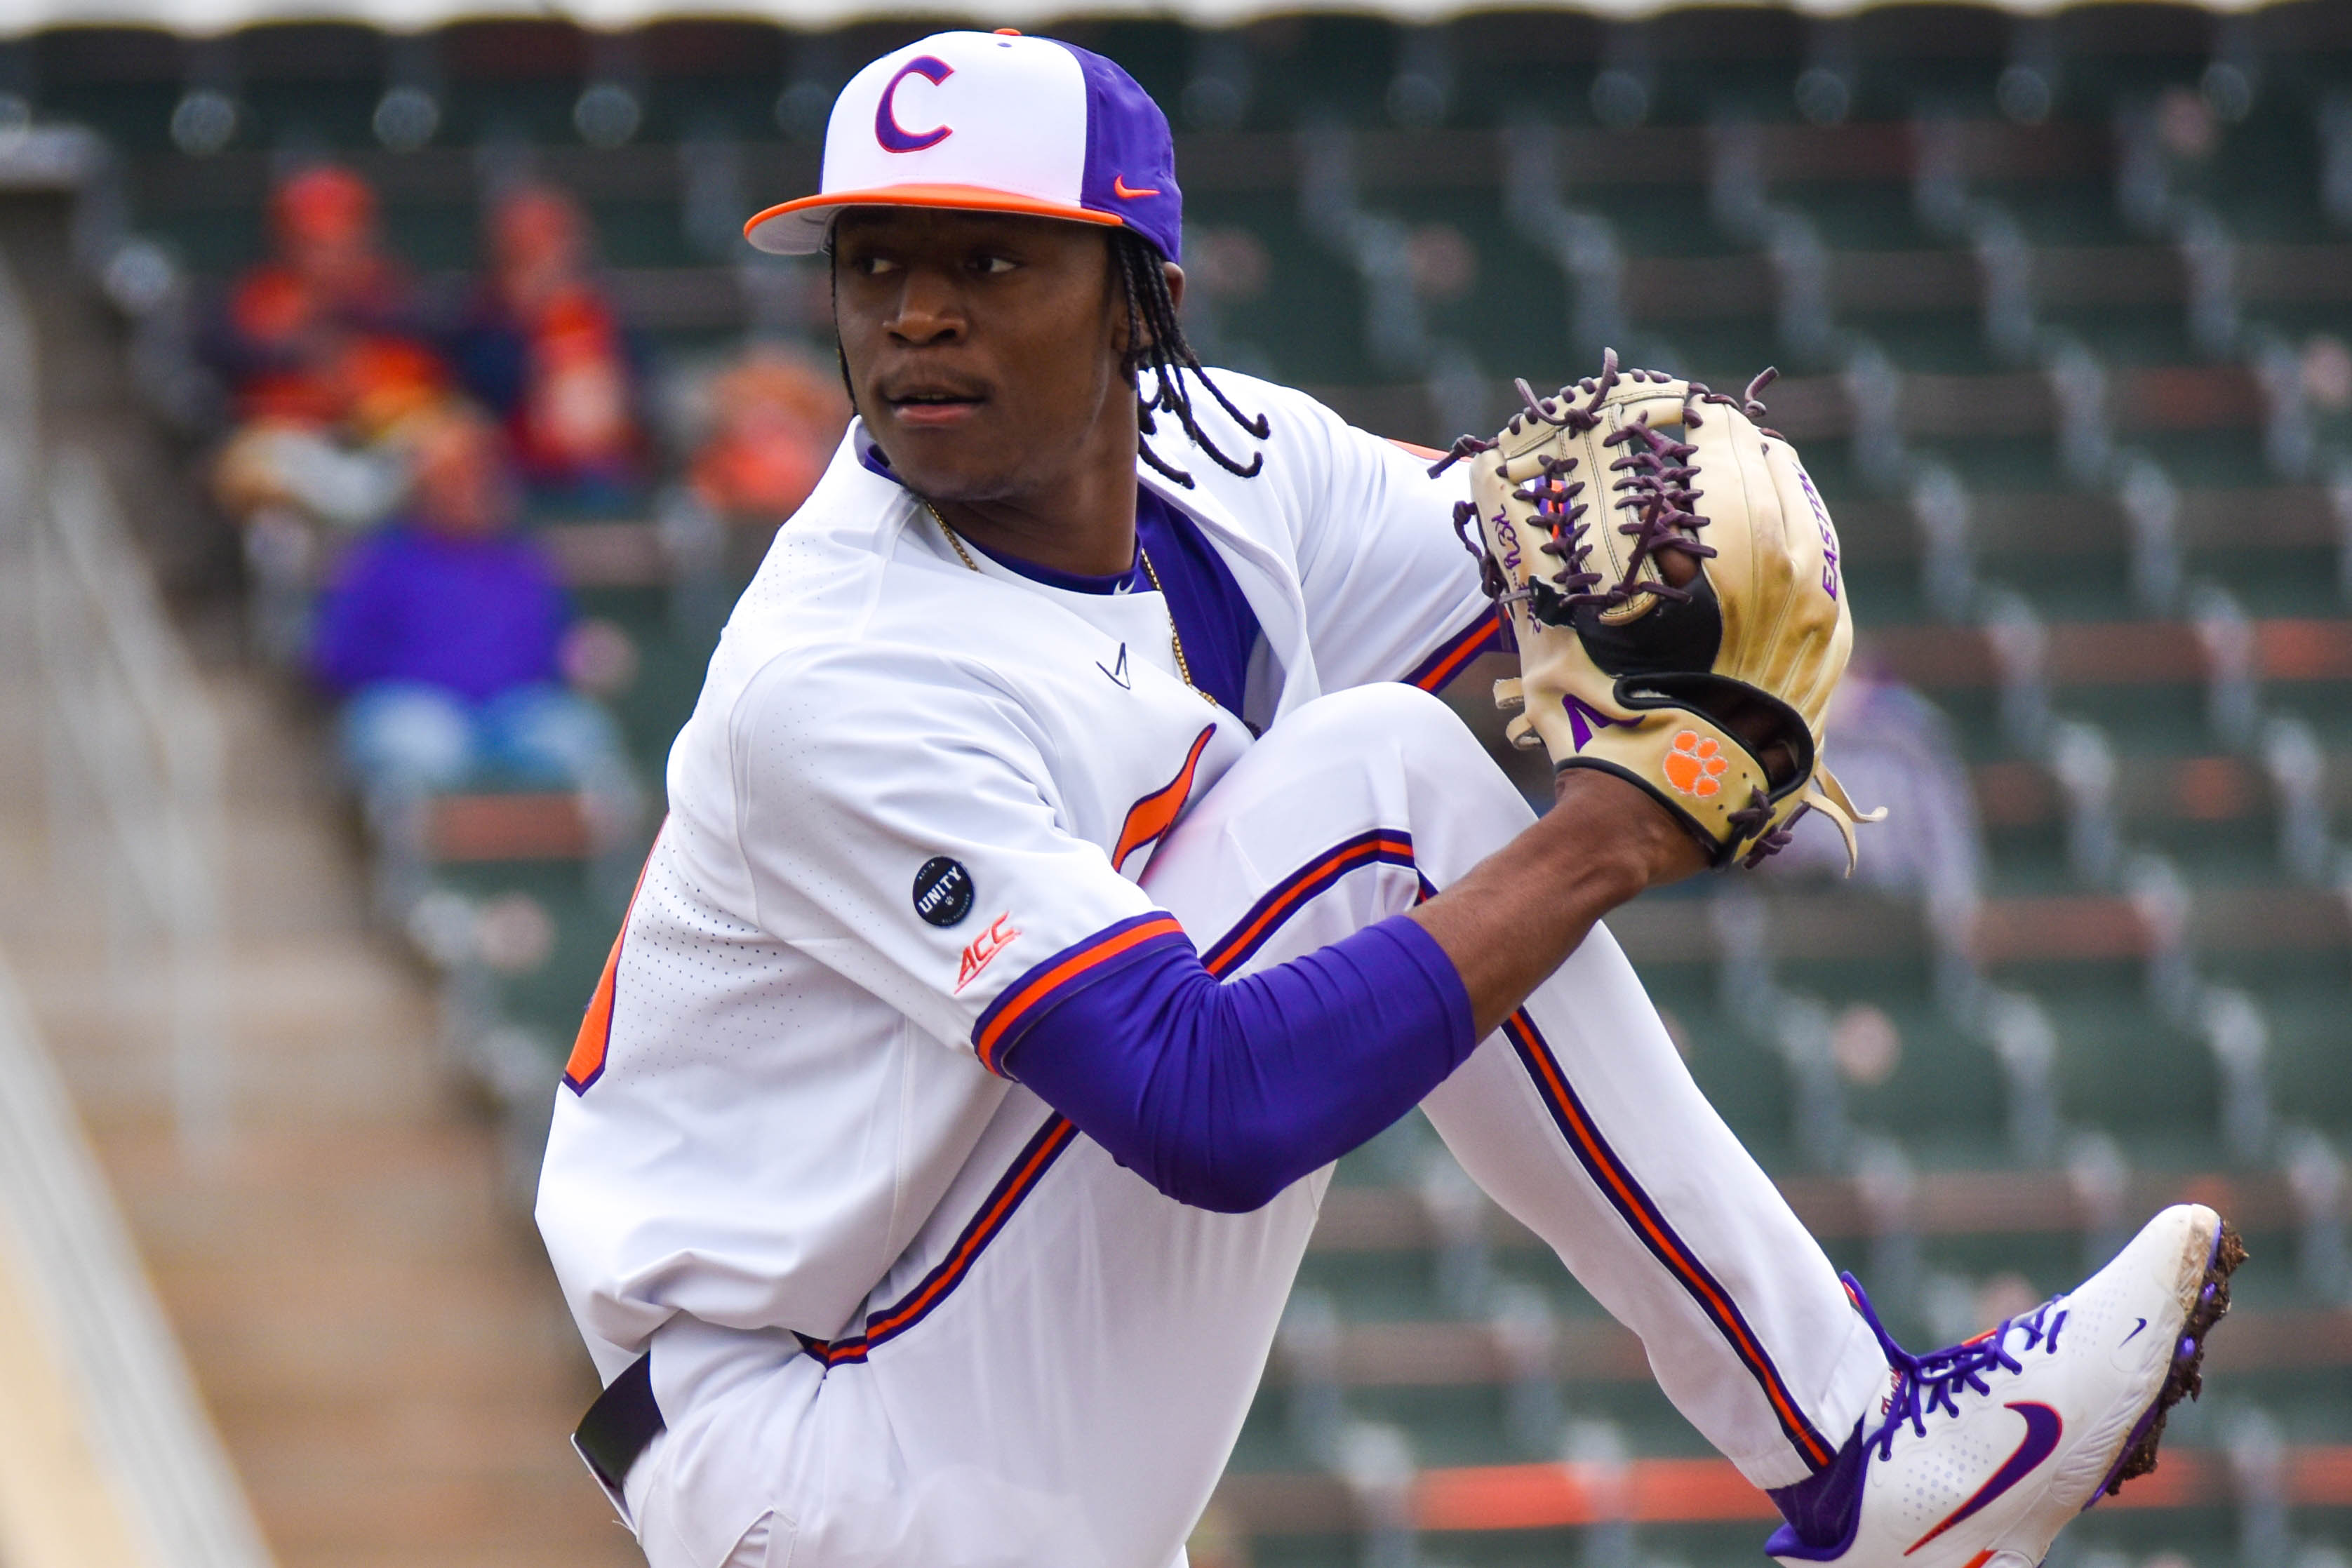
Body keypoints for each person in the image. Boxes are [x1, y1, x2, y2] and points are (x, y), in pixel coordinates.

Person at [534, 34, 2236, 1568]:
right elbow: (1206, 1108)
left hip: (952, 1331)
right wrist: (1609, 832)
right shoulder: (839, 675)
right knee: (1380, 786)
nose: (913, 315)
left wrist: (1776, 626)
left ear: (1137, 296)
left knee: (1384, 777)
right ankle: (1863, 1454)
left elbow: (1570, 570)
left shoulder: (1226, 464)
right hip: (818, 1425)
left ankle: (1866, 1454)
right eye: (873, 264)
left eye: (986, 259)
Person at [308, 402, 630, 807]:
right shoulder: (383, 562)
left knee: (580, 738)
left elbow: (553, 647)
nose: (468, 489)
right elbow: (334, 659)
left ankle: (593, 868)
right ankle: (424, 870)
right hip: (416, 711)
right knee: (425, 747)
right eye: (452, 478)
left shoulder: (522, 561)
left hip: (514, 714)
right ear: (424, 488)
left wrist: (580, 656)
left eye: (478, 476)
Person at [451, 184, 647, 504]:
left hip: (603, 474)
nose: (543, 252)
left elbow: (642, 389)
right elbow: (479, 391)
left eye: (552, 237)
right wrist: (529, 322)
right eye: (526, 243)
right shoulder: (481, 318)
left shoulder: (603, 313)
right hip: (515, 473)